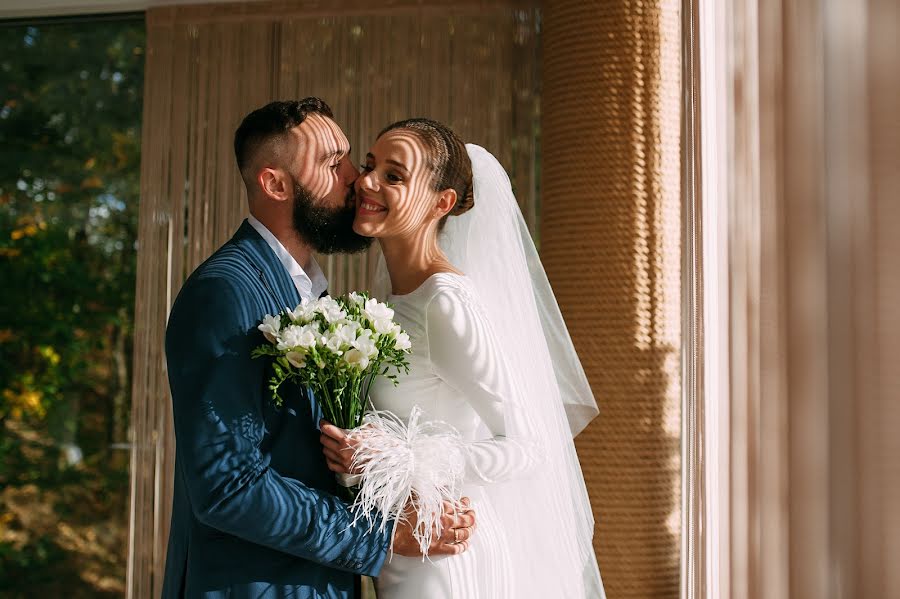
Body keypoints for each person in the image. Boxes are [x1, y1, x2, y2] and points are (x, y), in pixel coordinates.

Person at [162, 100, 476, 599]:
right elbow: (229, 488)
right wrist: (384, 535)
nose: (358, 179)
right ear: (276, 185)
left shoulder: (313, 295)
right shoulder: (225, 291)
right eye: (334, 164)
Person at [320, 119, 606, 598]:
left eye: (394, 175)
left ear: (441, 203)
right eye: (369, 166)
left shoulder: (445, 304)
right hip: (403, 550)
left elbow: (528, 444)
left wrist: (396, 458)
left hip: (446, 559)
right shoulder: (387, 306)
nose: (366, 182)